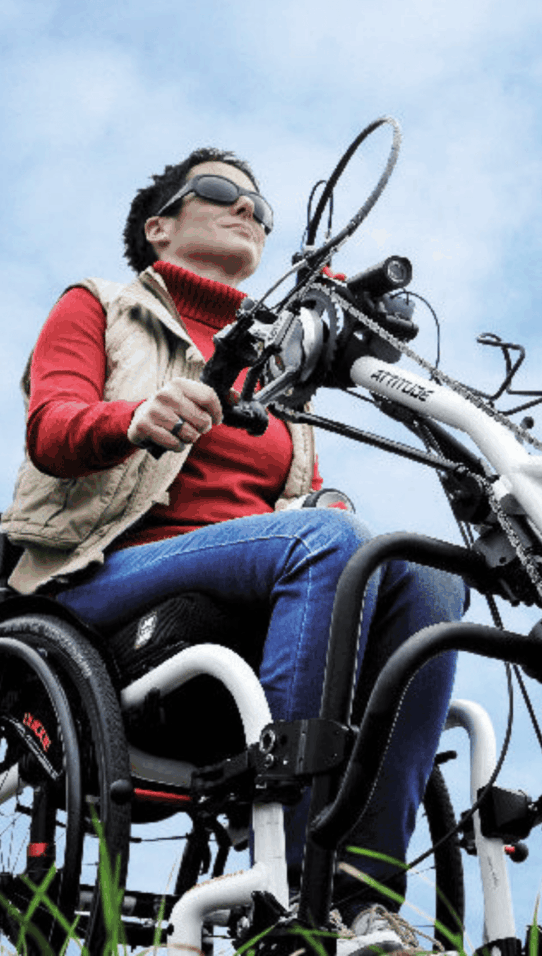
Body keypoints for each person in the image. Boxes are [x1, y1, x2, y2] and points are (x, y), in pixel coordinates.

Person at [1, 147, 467, 955]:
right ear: (158, 227)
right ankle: (294, 875)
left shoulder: (282, 368)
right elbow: (52, 428)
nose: (248, 209)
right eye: (221, 194)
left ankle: (362, 894)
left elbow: (295, 510)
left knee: (423, 572)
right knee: (327, 547)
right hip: (100, 577)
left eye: (262, 207)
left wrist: (329, 508)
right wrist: (133, 420)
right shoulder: (101, 306)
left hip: (261, 574)